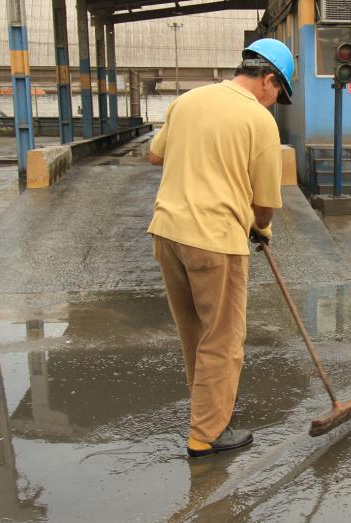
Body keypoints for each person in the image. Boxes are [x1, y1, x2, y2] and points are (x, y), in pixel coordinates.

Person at [147, 38, 294, 458]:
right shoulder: (259, 121)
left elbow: (154, 157)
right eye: (278, 92)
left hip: (167, 232)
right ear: (268, 79)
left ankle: (209, 410)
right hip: (215, 241)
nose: (275, 101)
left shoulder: (188, 101)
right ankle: (207, 434)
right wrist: (260, 229)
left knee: (194, 330)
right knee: (223, 339)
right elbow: (265, 204)